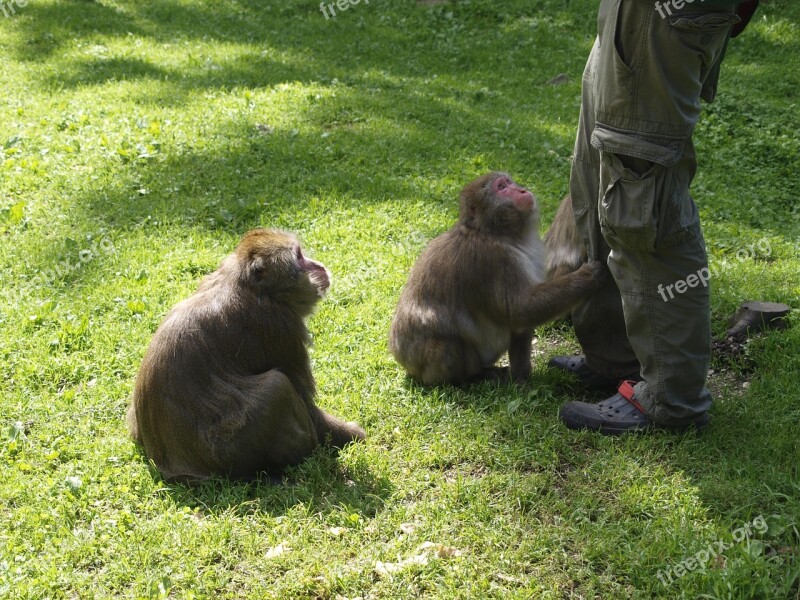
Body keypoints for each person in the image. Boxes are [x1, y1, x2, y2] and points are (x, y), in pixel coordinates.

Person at [551, 0, 760, 434]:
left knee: (642, 196)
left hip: (664, 13)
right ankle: (618, 361)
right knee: (598, 165)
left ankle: (671, 400)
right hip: (633, 12)